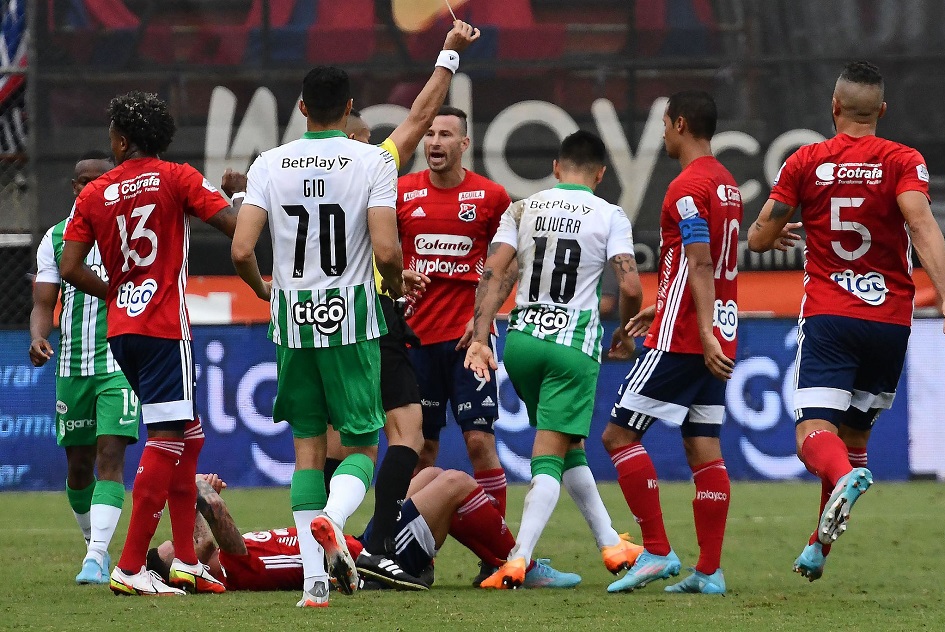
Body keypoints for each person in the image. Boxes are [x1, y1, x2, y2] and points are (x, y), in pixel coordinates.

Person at [748, 61, 945, 582]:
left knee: (814, 438)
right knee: (852, 439)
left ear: (834, 107)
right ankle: (817, 548)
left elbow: (758, 239)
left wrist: (770, 233)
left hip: (831, 315)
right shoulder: (902, 159)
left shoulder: (806, 161)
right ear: (883, 111)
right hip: (891, 321)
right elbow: (921, 222)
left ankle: (846, 477)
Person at [231, 65, 419, 606]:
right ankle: (335, 522)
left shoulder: (269, 163)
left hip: (292, 320)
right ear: (351, 105)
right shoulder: (373, 160)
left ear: (302, 107)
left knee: (308, 451)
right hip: (353, 320)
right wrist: (399, 276)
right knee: (361, 442)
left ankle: (314, 584)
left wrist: (264, 289)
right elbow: (385, 250)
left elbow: (241, 250)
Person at [60, 91, 242, 596]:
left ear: (120, 139)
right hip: (165, 326)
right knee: (168, 438)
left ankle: (185, 560)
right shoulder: (177, 176)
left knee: (189, 433)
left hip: (122, 329)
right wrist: (243, 198)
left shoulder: (93, 193)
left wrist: (116, 289)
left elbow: (71, 267)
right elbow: (232, 227)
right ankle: (131, 565)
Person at [320, 20, 481, 587]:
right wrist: (450, 52)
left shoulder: (283, 166)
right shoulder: (371, 163)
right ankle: (375, 543)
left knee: (331, 440)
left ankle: (325, 551)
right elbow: (416, 116)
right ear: (355, 127)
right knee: (406, 437)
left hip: (311, 319)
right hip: (374, 313)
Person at [465, 130, 646, 589]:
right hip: (571, 347)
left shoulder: (522, 208)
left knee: (568, 447)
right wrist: (623, 333)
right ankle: (519, 558)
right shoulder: (609, 214)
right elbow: (629, 286)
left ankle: (611, 543)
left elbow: (496, 269)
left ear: (555, 167)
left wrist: (481, 334)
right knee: (548, 456)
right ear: (601, 174)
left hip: (521, 343)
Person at [601, 91, 746, 595]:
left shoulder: (685, 187)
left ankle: (658, 552)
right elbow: (698, 267)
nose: (662, 133)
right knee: (703, 446)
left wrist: (697, 330)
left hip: (686, 337)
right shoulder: (727, 184)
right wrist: (663, 308)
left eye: (664, 124)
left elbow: (701, 261)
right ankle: (709, 570)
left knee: (617, 437)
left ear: (681, 124)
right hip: (717, 328)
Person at [395, 104, 513, 584]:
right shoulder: (401, 193)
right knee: (420, 451)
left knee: (480, 442)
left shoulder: (491, 196)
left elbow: (508, 269)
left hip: (469, 345)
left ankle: (498, 553)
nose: (435, 142)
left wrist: (483, 325)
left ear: (465, 143)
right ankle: (413, 554)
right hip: (414, 342)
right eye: (430, 134)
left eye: (446, 134)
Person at [148, 472, 580, 592]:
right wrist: (192, 487)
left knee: (429, 473)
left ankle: (498, 562)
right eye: (177, 552)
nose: (182, 543)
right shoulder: (236, 569)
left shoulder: (221, 556)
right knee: (457, 485)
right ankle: (519, 563)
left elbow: (200, 530)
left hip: (361, 544)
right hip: (377, 566)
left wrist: (192, 494)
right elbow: (210, 521)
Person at [29, 151, 139, 585]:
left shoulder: (129, 233)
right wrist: (38, 336)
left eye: (100, 179)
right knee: (78, 467)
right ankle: (97, 546)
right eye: (82, 181)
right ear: (75, 187)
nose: (90, 187)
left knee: (110, 457)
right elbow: (43, 302)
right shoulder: (55, 239)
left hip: (119, 362)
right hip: (72, 366)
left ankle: (94, 559)